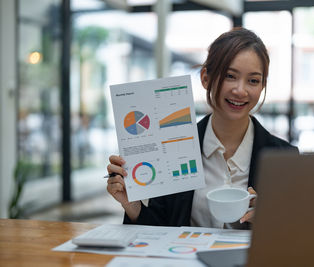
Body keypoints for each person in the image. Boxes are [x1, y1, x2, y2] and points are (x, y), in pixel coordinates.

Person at [106, 27, 298, 229]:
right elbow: (161, 228)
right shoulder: (173, 147)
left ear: (262, 86)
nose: (240, 90)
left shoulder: (284, 158)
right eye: (230, 76)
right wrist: (131, 204)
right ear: (205, 78)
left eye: (253, 80)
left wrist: (272, 219)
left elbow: (297, 236)